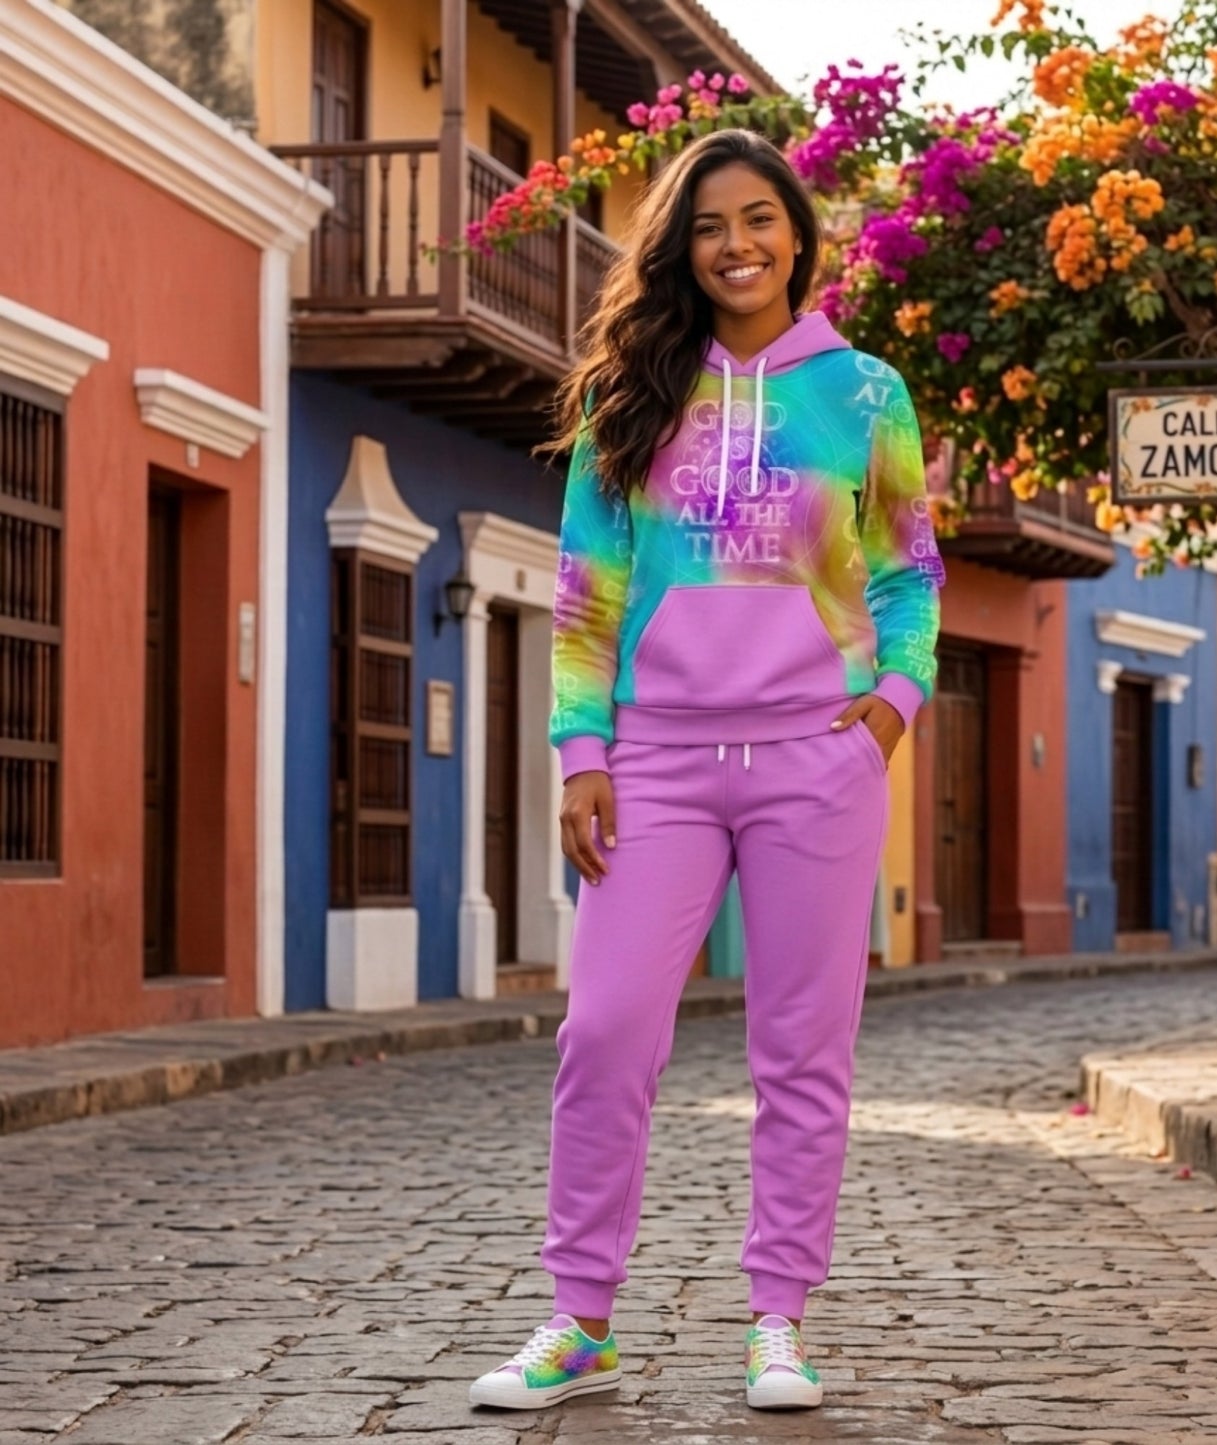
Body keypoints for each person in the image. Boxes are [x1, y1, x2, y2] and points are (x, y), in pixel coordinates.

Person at [469, 127, 942, 1414]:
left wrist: (887, 714)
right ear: (680, 249)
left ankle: (777, 1319)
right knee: (606, 1029)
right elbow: (581, 598)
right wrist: (581, 754)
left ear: (797, 232)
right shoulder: (632, 389)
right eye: (707, 227)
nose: (735, 245)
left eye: (757, 220)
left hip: (816, 764)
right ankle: (580, 1321)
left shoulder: (865, 395)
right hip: (659, 763)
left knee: (803, 1048)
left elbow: (908, 578)